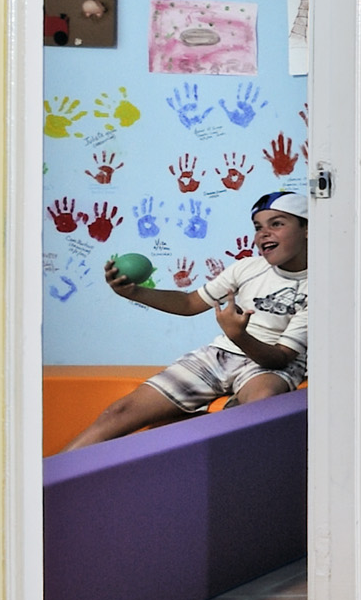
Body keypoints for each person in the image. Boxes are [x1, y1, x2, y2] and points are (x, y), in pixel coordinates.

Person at [66, 191, 311, 451]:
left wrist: (239, 335)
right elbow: (189, 303)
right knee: (119, 412)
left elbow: (280, 358)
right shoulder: (247, 268)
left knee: (261, 404)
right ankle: (51, 477)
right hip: (221, 355)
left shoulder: (319, 284)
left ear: (307, 229)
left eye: (277, 223)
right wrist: (134, 292)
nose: (264, 234)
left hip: (272, 364)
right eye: (258, 227)